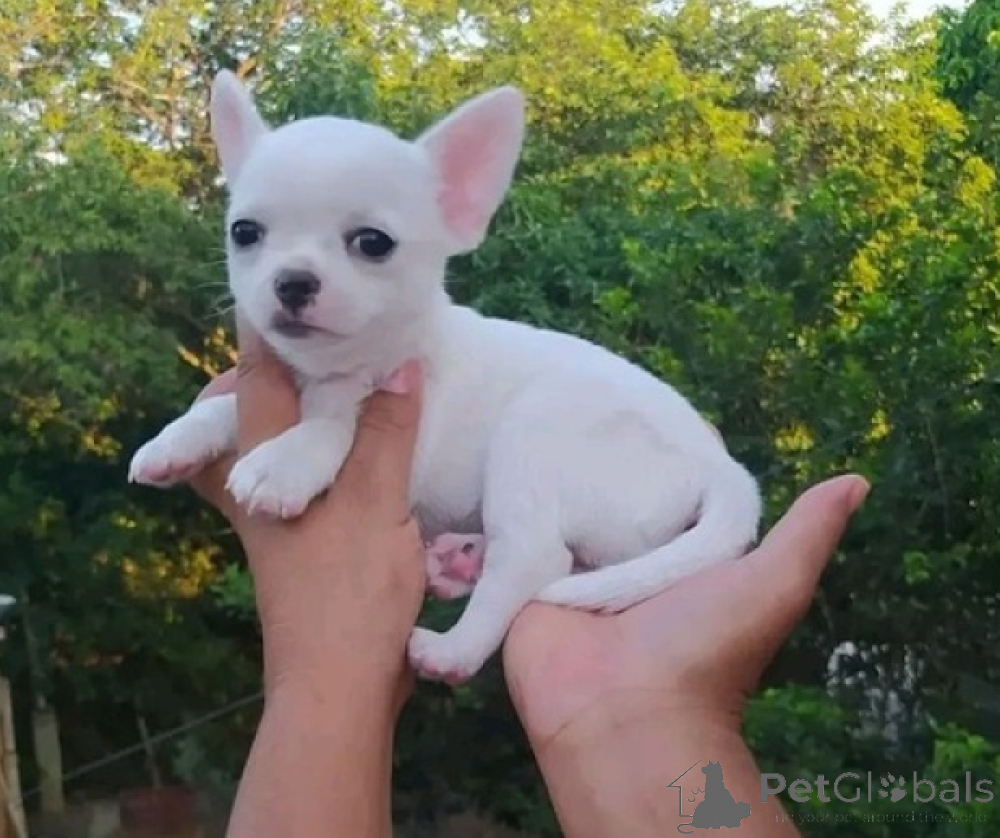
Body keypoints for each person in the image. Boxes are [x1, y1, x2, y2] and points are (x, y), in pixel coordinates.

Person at [189, 319, 869, 838]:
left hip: (639, 479)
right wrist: (648, 712)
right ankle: (518, 559)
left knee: (537, 436)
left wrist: (327, 665)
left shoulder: (421, 353)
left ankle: (517, 567)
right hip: (631, 497)